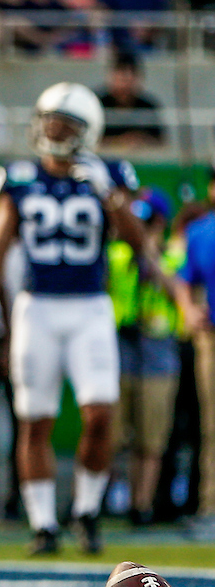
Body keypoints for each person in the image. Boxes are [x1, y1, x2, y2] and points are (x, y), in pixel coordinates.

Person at [0, 82, 157, 555]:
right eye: (48, 119)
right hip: (37, 307)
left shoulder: (109, 174)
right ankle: (44, 525)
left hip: (90, 307)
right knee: (35, 419)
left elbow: (139, 241)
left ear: (87, 130)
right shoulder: (18, 176)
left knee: (100, 414)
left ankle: (87, 511)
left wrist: (109, 194)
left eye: (64, 122)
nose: (52, 128)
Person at [108, 190, 181, 526]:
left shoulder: (174, 255)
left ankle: (142, 503)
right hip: (121, 346)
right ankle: (103, 500)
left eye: (147, 221)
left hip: (157, 349)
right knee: (114, 432)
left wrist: (151, 256)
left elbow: (178, 292)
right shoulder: (118, 254)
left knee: (151, 435)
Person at [173, 179, 215, 538]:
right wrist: (188, 308)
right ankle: (211, 506)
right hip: (212, 337)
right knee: (213, 425)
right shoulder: (201, 232)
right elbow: (185, 278)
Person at [96, 50, 165, 149]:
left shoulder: (148, 107)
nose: (124, 86)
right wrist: (118, 142)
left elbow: (161, 144)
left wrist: (141, 140)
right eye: (120, 79)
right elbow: (90, 142)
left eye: (129, 80)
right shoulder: (97, 104)